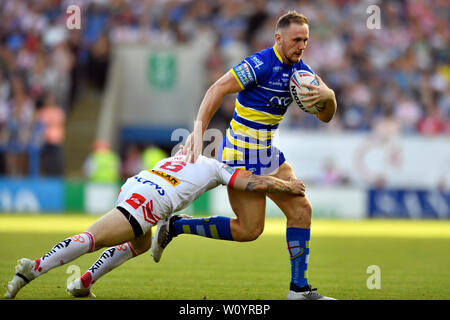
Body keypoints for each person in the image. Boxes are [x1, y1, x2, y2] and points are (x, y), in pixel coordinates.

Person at [178, 11, 337, 300]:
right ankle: (178, 225)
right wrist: (198, 132)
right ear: (279, 38)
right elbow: (218, 88)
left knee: (302, 210)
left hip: (267, 155)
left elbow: (325, 117)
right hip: (238, 155)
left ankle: (299, 290)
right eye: (296, 40)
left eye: (305, 40)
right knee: (249, 230)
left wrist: (329, 96)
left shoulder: (303, 74)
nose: (301, 46)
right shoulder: (260, 64)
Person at [4, 148, 306, 299]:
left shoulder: (184, 153)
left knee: (141, 242)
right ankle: (34, 267)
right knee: (94, 238)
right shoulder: (218, 166)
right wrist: (286, 187)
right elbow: (249, 183)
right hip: (153, 199)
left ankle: (83, 283)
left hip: (137, 185)